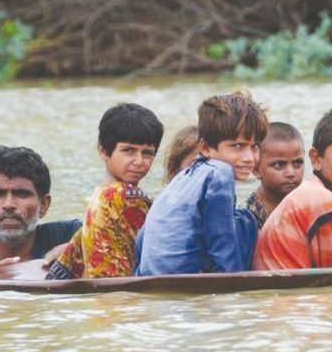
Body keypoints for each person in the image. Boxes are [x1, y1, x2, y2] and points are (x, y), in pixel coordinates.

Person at [137, 90, 268, 275]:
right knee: (245, 221)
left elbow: (142, 238)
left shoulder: (181, 179)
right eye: (238, 146)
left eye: (255, 147)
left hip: (150, 276)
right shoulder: (220, 172)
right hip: (183, 280)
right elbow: (222, 244)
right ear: (206, 148)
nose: (249, 158)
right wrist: (236, 285)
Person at [45, 103, 163, 279]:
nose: (139, 161)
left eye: (147, 153)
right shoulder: (121, 195)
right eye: (128, 151)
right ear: (103, 151)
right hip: (121, 291)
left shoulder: (99, 196)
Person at [253, 106, 332, 270]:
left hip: (277, 283)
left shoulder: (310, 190)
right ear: (316, 158)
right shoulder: (323, 200)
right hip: (287, 286)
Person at [244, 122, 305, 228]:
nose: (291, 173)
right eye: (279, 165)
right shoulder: (247, 218)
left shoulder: (308, 205)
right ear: (256, 169)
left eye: (297, 163)